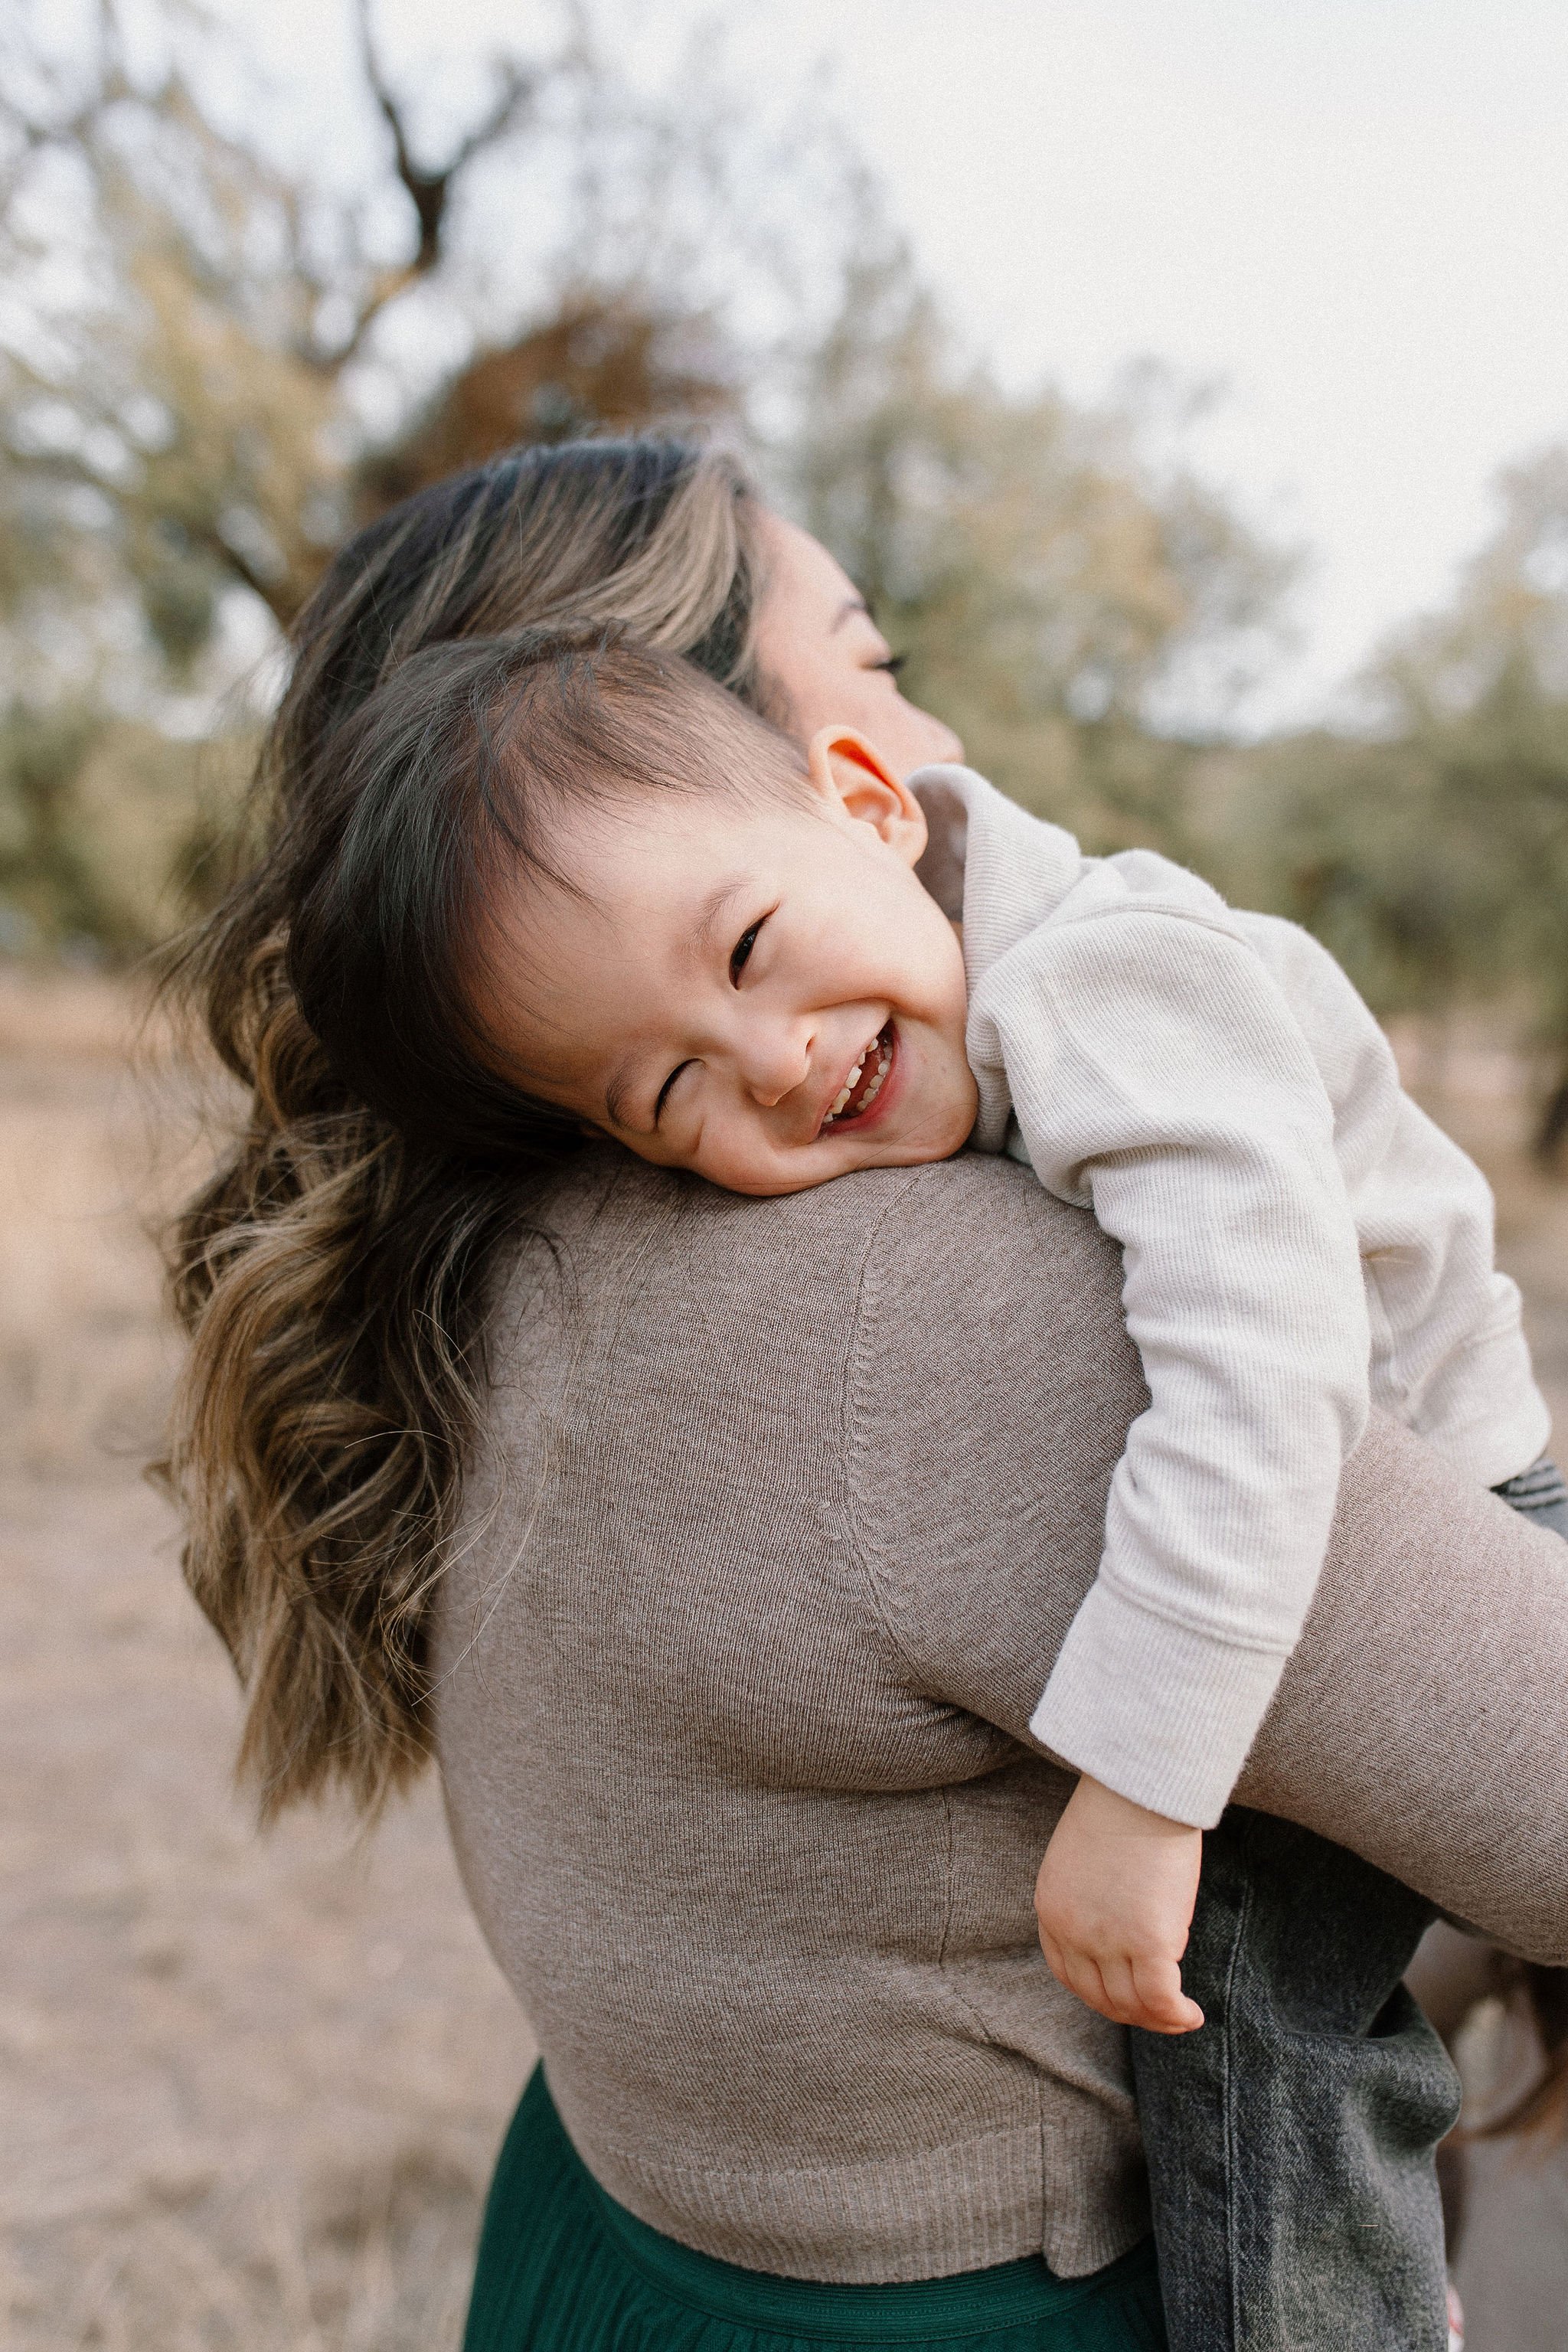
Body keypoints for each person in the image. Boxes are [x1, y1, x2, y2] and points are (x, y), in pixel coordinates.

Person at [158, 438, 1568, 2348]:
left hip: (606, 2251)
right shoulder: (930, 1308)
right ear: (761, 745)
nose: (940, 725)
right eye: (878, 661)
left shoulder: (549, 1239)